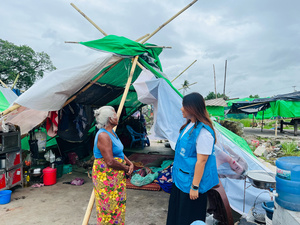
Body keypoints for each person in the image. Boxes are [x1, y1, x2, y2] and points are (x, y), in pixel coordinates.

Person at [166, 92, 219, 225]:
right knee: (177, 214)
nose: (181, 109)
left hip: (191, 183)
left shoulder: (203, 132)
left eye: (184, 106)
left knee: (188, 217)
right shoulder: (188, 125)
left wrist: (195, 187)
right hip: (181, 180)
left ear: (192, 108)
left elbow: (202, 161)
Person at [92, 106, 134, 225]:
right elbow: (110, 161)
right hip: (106, 177)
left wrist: (130, 162)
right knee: (107, 208)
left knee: (117, 205)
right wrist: (126, 168)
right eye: (115, 114)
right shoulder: (103, 136)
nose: (117, 116)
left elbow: (119, 151)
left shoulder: (112, 133)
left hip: (116, 176)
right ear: (110, 119)